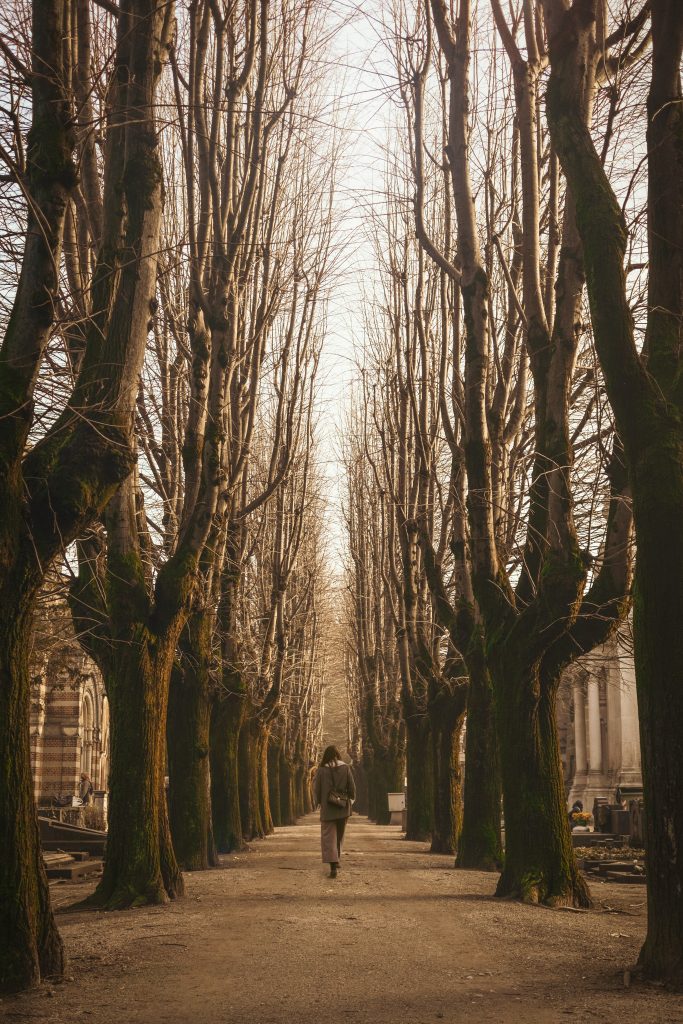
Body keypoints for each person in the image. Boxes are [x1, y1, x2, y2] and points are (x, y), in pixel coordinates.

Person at [313, 745, 356, 879]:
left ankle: (333, 864)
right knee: (340, 834)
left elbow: (316, 789)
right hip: (343, 806)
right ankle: (337, 857)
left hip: (328, 808)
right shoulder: (345, 768)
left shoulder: (321, 770)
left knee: (328, 837)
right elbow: (352, 787)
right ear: (338, 754)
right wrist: (350, 800)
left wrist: (318, 803)